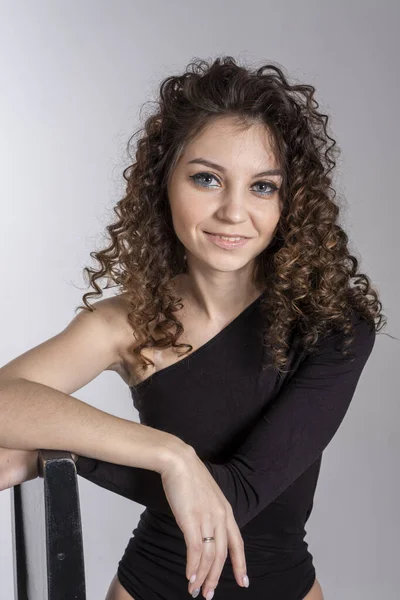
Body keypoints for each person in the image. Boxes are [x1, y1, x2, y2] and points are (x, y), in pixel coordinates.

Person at [0, 56, 386, 600]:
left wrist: (60, 454)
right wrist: (170, 455)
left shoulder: (332, 325)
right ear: (165, 183)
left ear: (290, 202)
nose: (233, 211)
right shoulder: (122, 322)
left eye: (263, 187)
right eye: (207, 179)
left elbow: (241, 492)